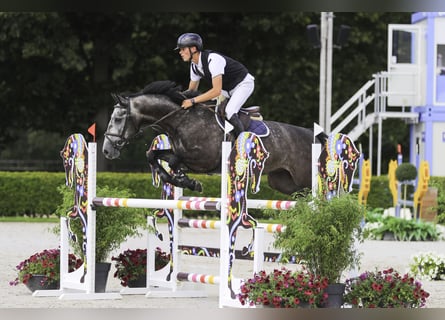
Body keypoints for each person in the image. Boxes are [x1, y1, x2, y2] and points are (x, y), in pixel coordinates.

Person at [175, 32, 255, 136]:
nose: (180, 52)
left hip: (243, 84)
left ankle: (244, 143)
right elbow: (191, 91)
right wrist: (176, 98)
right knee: (207, 109)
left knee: (229, 111)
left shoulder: (213, 59)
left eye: (183, 49)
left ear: (193, 49)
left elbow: (216, 91)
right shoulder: (194, 66)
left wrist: (193, 101)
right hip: (226, 90)